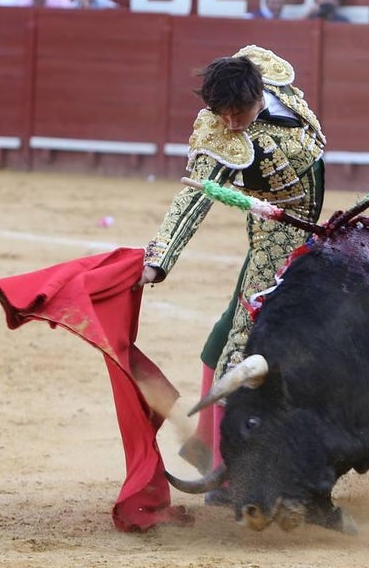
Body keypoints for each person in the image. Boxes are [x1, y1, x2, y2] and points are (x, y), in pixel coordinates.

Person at [139, 46, 326, 478]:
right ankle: (225, 465)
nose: (228, 122)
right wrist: (159, 259)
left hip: (314, 224)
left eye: (236, 112)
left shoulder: (272, 78)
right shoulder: (221, 136)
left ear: (259, 93)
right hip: (275, 236)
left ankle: (206, 442)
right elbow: (193, 198)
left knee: (230, 328)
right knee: (242, 335)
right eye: (219, 112)